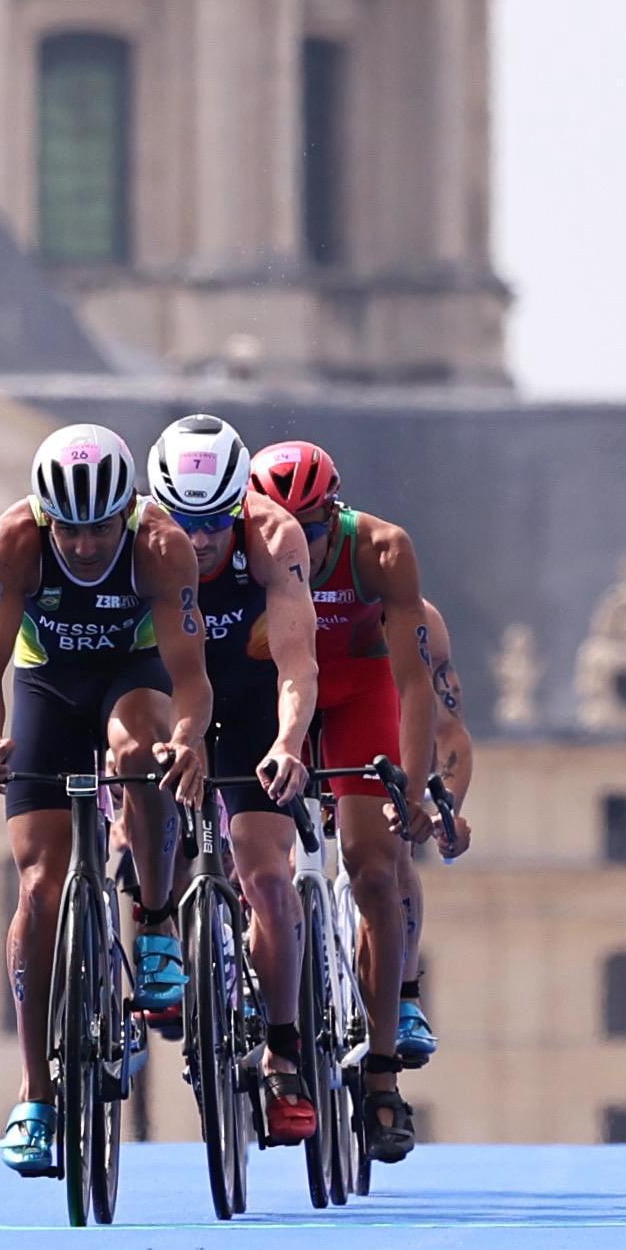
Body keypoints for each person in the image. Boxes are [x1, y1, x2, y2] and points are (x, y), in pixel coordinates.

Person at [0, 420, 212, 1177]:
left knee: (140, 750)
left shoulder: (162, 545)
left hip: (134, 673)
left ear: (125, 513)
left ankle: (158, 919)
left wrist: (192, 738)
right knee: (38, 887)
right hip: (47, 685)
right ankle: (35, 1094)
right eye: (69, 529)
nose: (84, 545)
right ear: (45, 516)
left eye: (101, 527)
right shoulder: (12, 541)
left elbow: (192, 674)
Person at [248, 439, 437, 1164]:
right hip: (275, 696)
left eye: (317, 531)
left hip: (359, 693)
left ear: (338, 515)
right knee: (252, 857)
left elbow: (415, 683)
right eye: (286, 529)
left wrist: (411, 792)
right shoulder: (242, 545)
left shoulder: (382, 550)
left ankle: (384, 1071)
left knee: (374, 868)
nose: (301, 543)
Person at [140, 413, 321, 1144]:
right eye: (187, 521)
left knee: (267, 876)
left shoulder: (274, 537)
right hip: (167, 696)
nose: (203, 538)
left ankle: (282, 1049)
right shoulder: (140, 541)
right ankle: (153, 932)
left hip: (250, 702)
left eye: (217, 521)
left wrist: (288, 742)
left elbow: (296, 663)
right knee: (140, 811)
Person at [391, 595, 477, 1071]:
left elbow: (446, 730)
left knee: (389, 855)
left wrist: (446, 812)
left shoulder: (417, 619)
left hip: (378, 732)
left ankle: (405, 997)